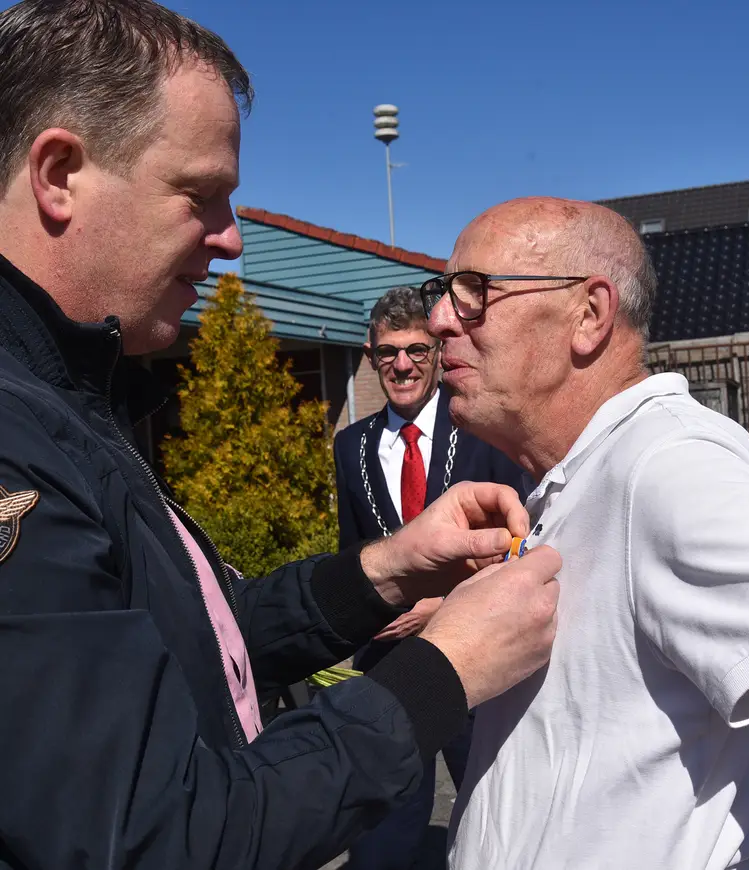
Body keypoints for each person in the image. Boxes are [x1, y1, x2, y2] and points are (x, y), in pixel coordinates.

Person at [0, 4, 562, 869]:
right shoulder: (15, 437)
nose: (231, 239)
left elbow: (199, 639)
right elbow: (159, 839)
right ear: (60, 174)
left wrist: (387, 569)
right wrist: (446, 668)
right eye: (201, 195)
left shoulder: (68, 402)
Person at [420, 196, 749, 870]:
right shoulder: (589, 473)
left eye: (476, 291)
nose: (439, 319)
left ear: (589, 315)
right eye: (446, 293)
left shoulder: (668, 467)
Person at [334, 285, 524, 869]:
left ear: (437, 353)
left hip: (476, 661)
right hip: (390, 671)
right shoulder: (350, 446)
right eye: (387, 352)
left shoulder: (483, 431)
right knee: (383, 835)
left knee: (497, 822)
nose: (402, 365)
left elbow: (520, 544)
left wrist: (440, 606)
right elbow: (353, 554)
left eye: (417, 350)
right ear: (370, 356)